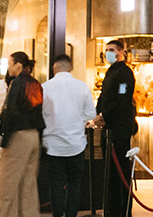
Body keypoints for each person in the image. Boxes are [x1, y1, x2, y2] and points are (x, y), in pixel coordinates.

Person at [41, 53, 96, 217]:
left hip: (52, 144)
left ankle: (58, 215)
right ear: (71, 67)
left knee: (56, 184)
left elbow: (39, 114)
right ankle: (71, 214)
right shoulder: (82, 87)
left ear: (54, 68)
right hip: (76, 144)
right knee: (74, 183)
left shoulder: (44, 87)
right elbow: (90, 114)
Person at [0, 53, 43, 217]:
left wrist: (3, 139)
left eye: (10, 63)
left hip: (18, 136)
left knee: (8, 184)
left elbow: (10, 112)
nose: (8, 67)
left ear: (18, 66)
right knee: (28, 185)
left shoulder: (17, 83)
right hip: (33, 135)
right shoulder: (36, 84)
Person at [95, 40, 138, 217]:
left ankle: (122, 210)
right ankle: (111, 209)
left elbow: (122, 100)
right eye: (106, 50)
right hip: (108, 128)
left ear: (121, 52)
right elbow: (104, 97)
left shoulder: (125, 73)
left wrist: (104, 116)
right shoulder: (110, 72)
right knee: (110, 173)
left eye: (112, 50)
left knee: (120, 170)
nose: (108, 53)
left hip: (119, 129)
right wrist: (98, 114)